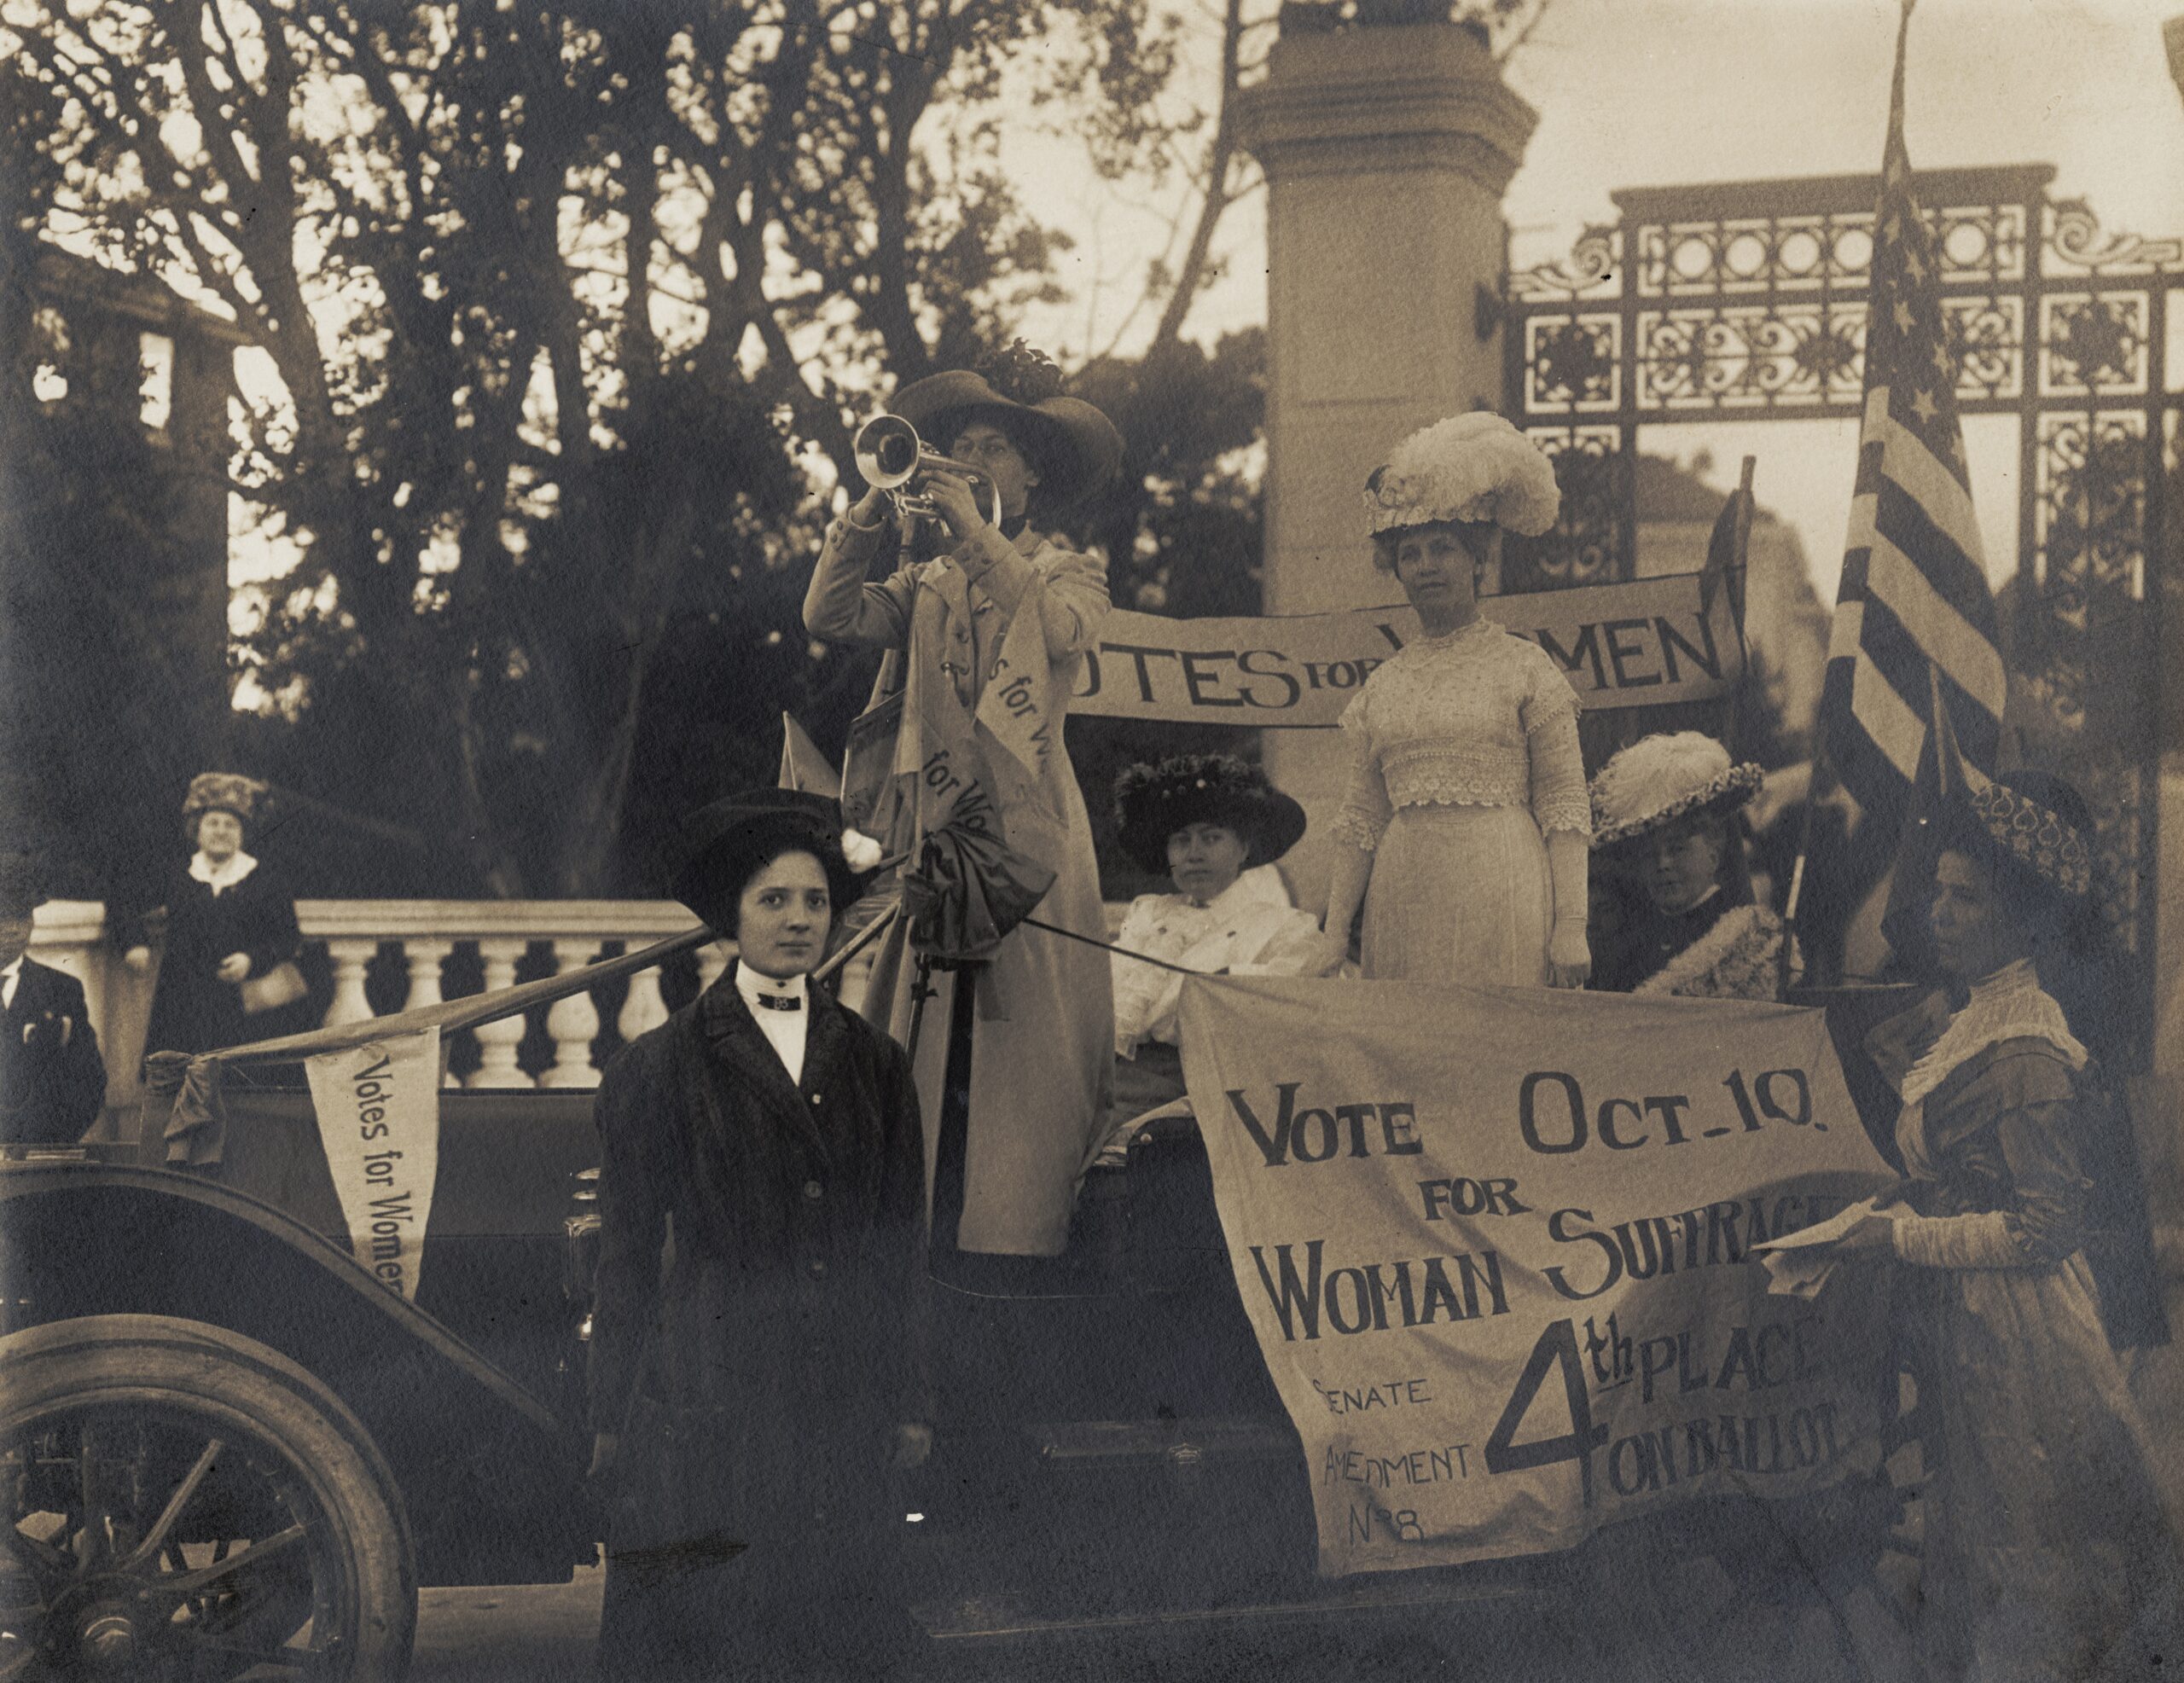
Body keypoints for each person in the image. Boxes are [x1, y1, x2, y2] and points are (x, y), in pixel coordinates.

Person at [1820, 769, 2177, 1680]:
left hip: (2019, 1333)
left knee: (2029, 1551)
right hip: (1969, 1315)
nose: (1936, 912)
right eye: (1936, 890)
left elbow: (2043, 1229)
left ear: (2023, 919)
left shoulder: (2024, 1040)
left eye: (1962, 896)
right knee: (1980, 1541)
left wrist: (1897, 1237)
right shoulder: (1976, 1017)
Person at [587, 788, 929, 1683]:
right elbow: (625, 1254)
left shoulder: (876, 1063)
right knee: (717, 1630)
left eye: (815, 900)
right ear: (731, 918)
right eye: (773, 899)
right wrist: (610, 1417)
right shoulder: (658, 1066)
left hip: (840, 1390)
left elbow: (898, 1246)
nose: (798, 919)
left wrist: (909, 1398)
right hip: (713, 1392)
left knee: (835, 1629)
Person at [803, 341, 1124, 1263]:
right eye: (961, 447)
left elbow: (1058, 632)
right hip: (936, 832)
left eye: (992, 450)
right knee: (920, 1041)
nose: (970, 463)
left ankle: (1017, 1244)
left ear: (1030, 474)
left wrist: (976, 539)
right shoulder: (928, 578)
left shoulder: (1070, 570)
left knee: (1027, 1056)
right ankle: (922, 1244)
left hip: (1030, 833)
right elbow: (828, 617)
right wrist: (871, 505)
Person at [1321, 413, 1592, 988]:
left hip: (1502, 883)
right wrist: (1334, 931)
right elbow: (1361, 818)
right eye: (1411, 553)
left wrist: (1571, 923)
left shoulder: (1524, 666)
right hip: (1405, 891)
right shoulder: (1384, 684)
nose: (1426, 566)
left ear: (1477, 559)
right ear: (1395, 568)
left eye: (1442, 548)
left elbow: (1565, 802)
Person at [1107, 754, 1339, 1129]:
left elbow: (1293, 1012)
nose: (1194, 853)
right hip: (1114, 1081)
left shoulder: (1282, 929)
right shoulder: (1147, 917)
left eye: (1211, 838)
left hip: (1201, 1092)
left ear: (1244, 848)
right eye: (1181, 841)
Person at [1586, 731, 1785, 998]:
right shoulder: (1633, 942)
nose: (1663, 864)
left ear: (1714, 848)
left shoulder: (1749, 940)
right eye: (1648, 854)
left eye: (1677, 849)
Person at [119, 773, 303, 1060]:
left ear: (243, 833)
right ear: (197, 829)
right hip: (182, 1002)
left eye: (231, 824)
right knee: (179, 1085)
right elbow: (124, 899)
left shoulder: (265, 880)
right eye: (212, 823)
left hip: (244, 1005)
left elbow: (289, 938)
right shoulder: (178, 874)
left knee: (239, 1086)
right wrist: (134, 944)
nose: (221, 831)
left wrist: (252, 960)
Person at [0, 850, 106, 1146]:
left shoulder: (62, 990)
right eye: (1, 916)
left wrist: (48, 1146)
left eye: (20, 917)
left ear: (33, 922)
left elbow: (89, 1081)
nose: (9, 929)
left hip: (40, 1154)